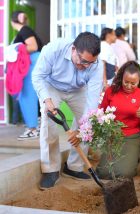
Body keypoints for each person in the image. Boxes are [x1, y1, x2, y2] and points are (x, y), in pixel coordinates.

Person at [32, 32, 103, 190]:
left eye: (90, 63)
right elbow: (37, 76)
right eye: (83, 61)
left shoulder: (96, 66)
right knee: (48, 120)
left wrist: (82, 131)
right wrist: (47, 99)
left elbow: (91, 105)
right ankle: (51, 170)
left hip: (78, 90)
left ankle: (74, 167)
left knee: (87, 124)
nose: (86, 66)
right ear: (73, 49)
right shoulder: (53, 49)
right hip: (52, 86)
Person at [98, 61, 140, 178]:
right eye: (126, 82)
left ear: (139, 81)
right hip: (113, 135)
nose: (128, 86)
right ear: (121, 78)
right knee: (103, 173)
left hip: (132, 136)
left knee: (125, 174)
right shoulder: (111, 91)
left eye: (133, 83)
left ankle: (132, 160)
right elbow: (101, 112)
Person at [10, 11, 43, 140]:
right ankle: (33, 126)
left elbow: (33, 46)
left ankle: (32, 129)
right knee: (28, 94)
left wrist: (14, 51)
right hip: (31, 63)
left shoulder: (24, 30)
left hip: (31, 63)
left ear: (13, 22)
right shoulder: (25, 30)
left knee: (26, 94)